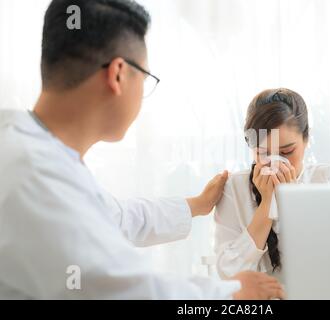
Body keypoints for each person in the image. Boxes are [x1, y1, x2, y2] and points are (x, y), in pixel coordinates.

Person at [0, 0, 284, 299]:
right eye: (146, 78)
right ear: (118, 74)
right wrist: (232, 294)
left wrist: (195, 205)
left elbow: (119, 217)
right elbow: (121, 291)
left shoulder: (30, 149)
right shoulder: (34, 174)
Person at [214, 88, 330, 280]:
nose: (275, 163)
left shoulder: (327, 179)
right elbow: (229, 274)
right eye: (263, 153)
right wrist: (267, 204)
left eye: (286, 152)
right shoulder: (234, 187)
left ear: (306, 138)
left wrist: (292, 202)